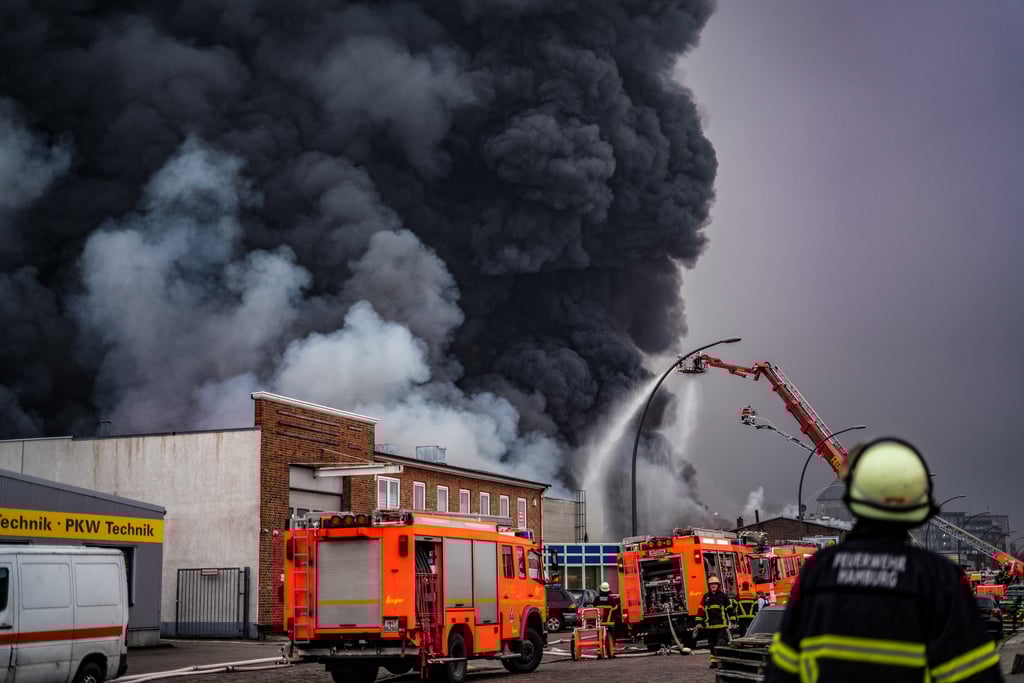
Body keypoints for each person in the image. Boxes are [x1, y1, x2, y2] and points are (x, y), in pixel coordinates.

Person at [765, 438, 1004, 682]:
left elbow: (783, 670)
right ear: (916, 502)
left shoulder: (818, 570)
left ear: (854, 499)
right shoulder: (938, 578)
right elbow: (976, 675)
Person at [696, 575, 734, 669]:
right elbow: (701, 609)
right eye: (711, 584)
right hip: (710, 626)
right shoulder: (706, 597)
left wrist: (733, 620)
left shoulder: (723, 596)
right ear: (709, 586)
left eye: (715, 584)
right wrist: (698, 622)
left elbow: (729, 608)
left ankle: (724, 661)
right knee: (712, 645)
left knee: (721, 643)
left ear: (718, 585)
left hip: (721, 625)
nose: (713, 586)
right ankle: (714, 662)